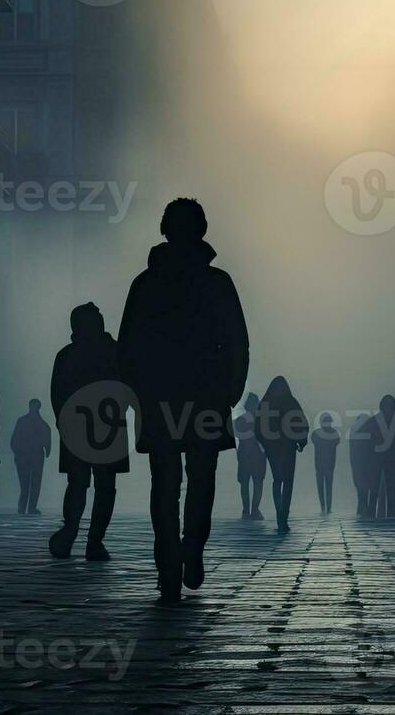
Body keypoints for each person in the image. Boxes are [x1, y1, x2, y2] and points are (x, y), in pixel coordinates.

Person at [118, 198, 250, 604]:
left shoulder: (146, 284)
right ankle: (191, 549)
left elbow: (128, 346)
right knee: (201, 480)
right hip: (207, 396)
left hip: (159, 397)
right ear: (202, 230)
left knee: (165, 484)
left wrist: (135, 392)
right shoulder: (217, 283)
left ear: (165, 230)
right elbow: (237, 342)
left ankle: (168, 564)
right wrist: (231, 390)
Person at [48, 302, 126, 561]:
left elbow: (57, 394)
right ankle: (94, 540)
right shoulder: (115, 352)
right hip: (108, 425)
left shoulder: (67, 355)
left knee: (78, 483)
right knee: (105, 486)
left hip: (77, 426)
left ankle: (72, 531)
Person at [257, 376, 308, 533]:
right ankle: (283, 515)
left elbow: (257, 427)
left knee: (278, 479)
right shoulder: (291, 402)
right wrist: (301, 441)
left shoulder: (265, 403)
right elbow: (302, 424)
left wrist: (265, 444)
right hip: (288, 448)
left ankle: (280, 512)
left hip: (274, 449)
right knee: (287, 481)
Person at [12, 399, 52, 515]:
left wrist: (17, 453)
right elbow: (47, 442)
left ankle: (26, 507)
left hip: (29, 457)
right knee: (29, 484)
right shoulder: (42, 424)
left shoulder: (23, 421)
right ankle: (28, 507)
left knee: (31, 484)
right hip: (32, 457)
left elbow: (14, 441)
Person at [372, 395, 395, 520]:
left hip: (379, 459)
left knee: (375, 487)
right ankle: (394, 513)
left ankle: (372, 511)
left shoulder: (374, 420)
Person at [234, 393, 267, 519]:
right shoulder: (262, 420)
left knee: (244, 483)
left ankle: (246, 510)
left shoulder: (240, 420)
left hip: (244, 455)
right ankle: (255, 510)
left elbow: (238, 436)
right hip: (258, 455)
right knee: (258, 482)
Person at [310, 412, 341, 513]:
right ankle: (328, 508)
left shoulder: (315, 434)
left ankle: (323, 507)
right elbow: (337, 441)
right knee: (328, 486)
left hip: (318, 464)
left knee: (320, 486)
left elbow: (313, 440)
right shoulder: (334, 433)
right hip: (330, 464)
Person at [349, 412, 377, 518]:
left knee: (360, 487)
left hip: (356, 461)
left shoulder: (354, 428)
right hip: (369, 461)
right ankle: (367, 509)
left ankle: (361, 508)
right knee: (368, 485)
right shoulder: (370, 428)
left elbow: (352, 449)